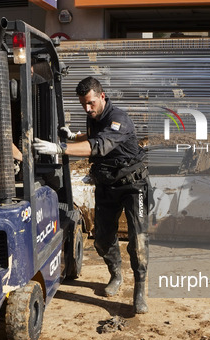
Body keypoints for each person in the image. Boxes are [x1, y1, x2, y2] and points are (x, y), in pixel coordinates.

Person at [34, 76, 149, 314]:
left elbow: (100, 145)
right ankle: (116, 274)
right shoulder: (93, 116)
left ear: (102, 96)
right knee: (102, 239)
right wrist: (74, 136)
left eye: (91, 103)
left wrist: (60, 148)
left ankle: (140, 287)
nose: (87, 109)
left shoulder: (119, 120)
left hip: (132, 186)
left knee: (138, 241)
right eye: (83, 105)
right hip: (107, 184)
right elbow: (92, 136)